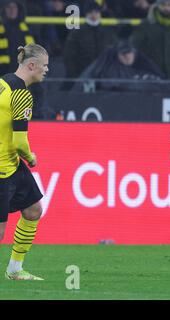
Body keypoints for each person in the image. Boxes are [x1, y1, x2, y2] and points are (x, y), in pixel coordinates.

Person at [0, 43, 49, 280]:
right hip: (2, 168)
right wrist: (31, 158)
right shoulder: (21, 95)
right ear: (31, 65)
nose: (47, 70)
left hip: (10, 164)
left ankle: (15, 269)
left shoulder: (3, 81)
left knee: (33, 209)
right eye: (44, 65)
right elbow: (21, 143)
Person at [131, 0, 170, 80]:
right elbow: (136, 50)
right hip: (151, 77)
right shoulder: (145, 25)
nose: (166, 8)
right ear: (157, 6)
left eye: (169, 5)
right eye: (163, 5)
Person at [78, 39, 164, 91]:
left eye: (129, 53)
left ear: (134, 52)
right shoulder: (111, 69)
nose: (127, 56)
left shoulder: (144, 65)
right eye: (123, 54)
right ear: (117, 55)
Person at [63, 0, 117, 80]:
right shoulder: (77, 33)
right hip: (82, 74)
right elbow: (69, 56)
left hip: (104, 75)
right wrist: (75, 74)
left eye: (96, 12)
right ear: (86, 14)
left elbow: (113, 53)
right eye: (90, 12)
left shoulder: (108, 32)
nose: (94, 15)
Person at [0, 0, 38, 75]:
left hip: (23, 72)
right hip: (3, 72)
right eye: (9, 7)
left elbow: (34, 51)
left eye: (14, 7)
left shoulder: (27, 28)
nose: (12, 10)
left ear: (18, 9)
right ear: (4, 10)